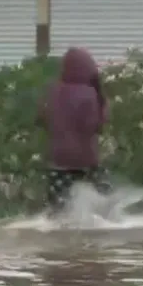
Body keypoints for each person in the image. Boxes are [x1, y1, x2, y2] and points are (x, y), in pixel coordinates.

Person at [40, 47, 112, 214]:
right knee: (105, 201)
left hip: (58, 161)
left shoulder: (52, 90)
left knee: (58, 210)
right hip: (86, 160)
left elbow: (43, 118)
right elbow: (93, 126)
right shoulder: (89, 93)